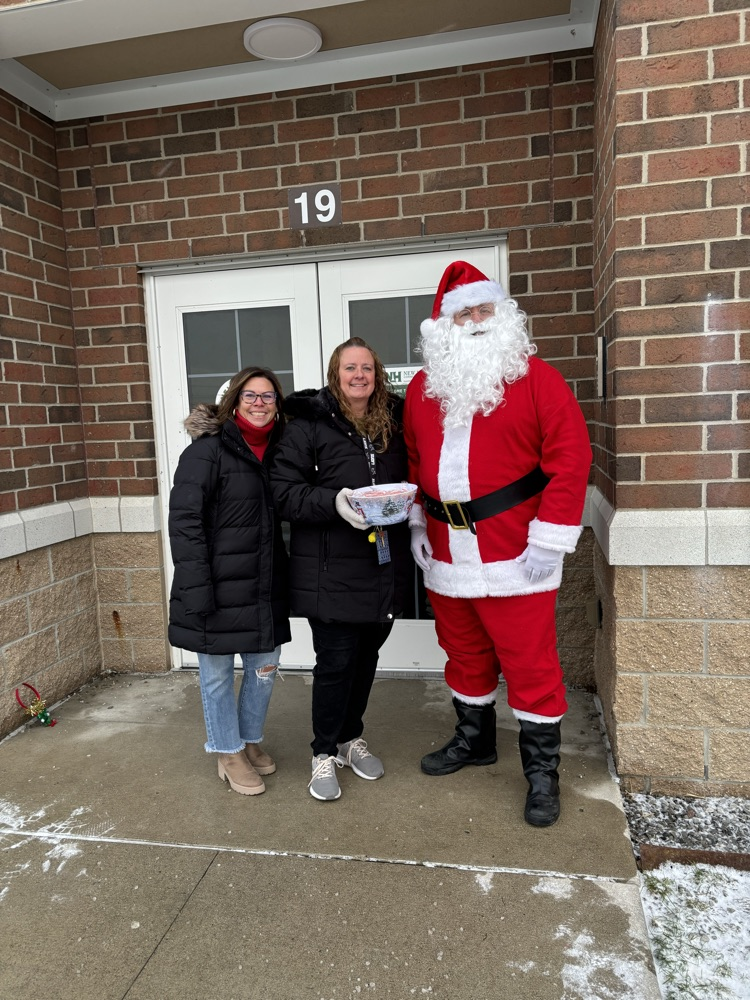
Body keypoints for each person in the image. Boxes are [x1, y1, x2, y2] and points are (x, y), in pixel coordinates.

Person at [404, 261, 592, 827]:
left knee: (531, 665)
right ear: (445, 325)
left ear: (503, 315)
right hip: (445, 553)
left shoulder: (538, 380)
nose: (477, 321)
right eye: (465, 313)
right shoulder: (421, 388)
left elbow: (571, 459)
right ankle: (475, 741)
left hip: (517, 554)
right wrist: (417, 523)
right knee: (463, 653)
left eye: (485, 309)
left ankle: (541, 775)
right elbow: (414, 461)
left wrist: (550, 539)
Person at [270, 337, 412, 802]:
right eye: (350, 368)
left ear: (378, 374)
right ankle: (322, 753)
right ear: (336, 373)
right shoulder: (309, 424)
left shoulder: (391, 422)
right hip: (328, 568)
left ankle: (351, 739)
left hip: (380, 563)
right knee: (335, 663)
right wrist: (334, 502)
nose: (359, 376)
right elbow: (285, 493)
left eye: (367, 368)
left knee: (367, 658)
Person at [168, 367, 291, 796]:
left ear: (278, 403)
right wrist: (196, 586)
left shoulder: (280, 450)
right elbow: (185, 524)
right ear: (234, 402)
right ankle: (227, 750)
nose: (260, 403)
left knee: (264, 669)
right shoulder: (206, 452)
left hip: (262, 585)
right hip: (215, 586)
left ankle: (249, 738)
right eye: (250, 395)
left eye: (268, 396)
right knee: (217, 675)